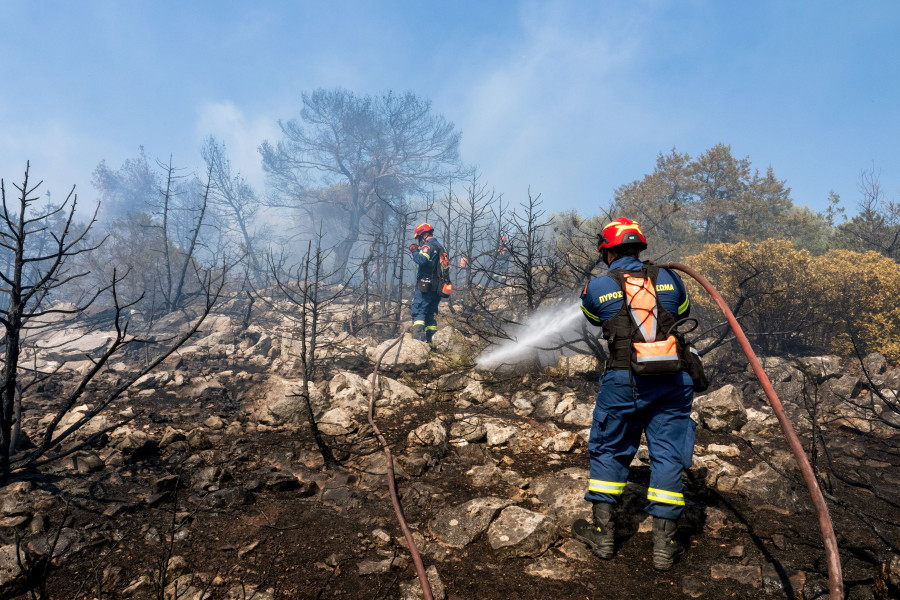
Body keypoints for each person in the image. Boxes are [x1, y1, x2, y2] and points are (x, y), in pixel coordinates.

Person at [572, 217, 694, 571]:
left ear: (607, 252)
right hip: (672, 379)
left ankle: (603, 534)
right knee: (668, 454)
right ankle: (664, 546)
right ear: (639, 248)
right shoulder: (670, 277)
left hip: (624, 380)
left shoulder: (598, 286)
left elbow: (593, 317)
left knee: (609, 448)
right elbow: (682, 311)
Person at [408, 222, 444, 346]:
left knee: (418, 309)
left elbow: (421, 260)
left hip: (425, 285)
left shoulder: (428, 246)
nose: (419, 241)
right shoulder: (439, 246)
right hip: (437, 286)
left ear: (424, 234)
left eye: (419, 238)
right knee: (431, 314)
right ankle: (431, 344)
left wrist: (414, 251)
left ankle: (418, 343)